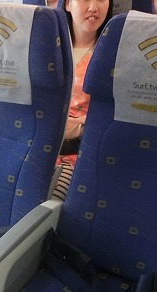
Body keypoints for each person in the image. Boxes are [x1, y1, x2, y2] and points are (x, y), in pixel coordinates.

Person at [53, 0, 112, 200]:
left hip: (78, 155)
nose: (94, 7)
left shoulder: (113, 54)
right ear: (68, 4)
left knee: (50, 202)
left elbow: (108, 117)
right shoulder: (47, 48)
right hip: (38, 146)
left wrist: (75, 126)